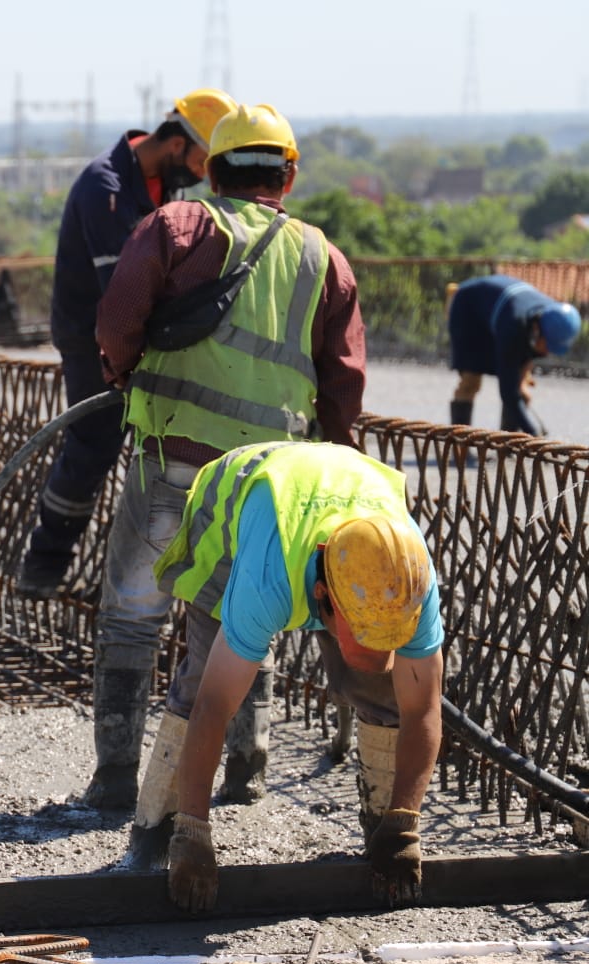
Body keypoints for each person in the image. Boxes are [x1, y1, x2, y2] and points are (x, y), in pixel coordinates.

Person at [87, 102, 368, 812]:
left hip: (169, 460)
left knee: (132, 616)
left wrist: (124, 373)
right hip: (264, 485)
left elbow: (117, 323)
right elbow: (342, 387)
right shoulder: (323, 258)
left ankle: (118, 778)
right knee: (240, 621)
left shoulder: (177, 225)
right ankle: (246, 770)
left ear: (212, 169)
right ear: (290, 175)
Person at [134, 440, 443, 914]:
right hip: (242, 498)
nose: (384, 649)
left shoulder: (407, 580)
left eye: (390, 637)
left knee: (382, 692)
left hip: (341, 500)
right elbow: (215, 706)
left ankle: (383, 834)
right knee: (203, 678)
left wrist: (405, 822)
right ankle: (157, 832)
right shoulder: (267, 578)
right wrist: (195, 833)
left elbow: (422, 708)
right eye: (366, 633)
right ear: (322, 598)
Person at [17, 89, 237, 599]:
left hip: (138, 334)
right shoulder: (106, 187)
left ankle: (135, 580)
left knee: (154, 456)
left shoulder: (165, 188)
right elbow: (123, 289)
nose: (205, 175)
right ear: (178, 143)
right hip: (91, 337)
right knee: (92, 447)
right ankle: (43, 568)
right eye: (204, 160)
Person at [447, 275, 581, 436]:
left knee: (520, 387)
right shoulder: (515, 327)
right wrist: (533, 433)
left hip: (499, 311)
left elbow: (527, 360)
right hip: (468, 310)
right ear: (537, 330)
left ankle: (507, 446)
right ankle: (460, 445)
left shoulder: (549, 317)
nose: (547, 353)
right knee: (470, 381)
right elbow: (508, 391)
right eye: (547, 346)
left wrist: (521, 383)